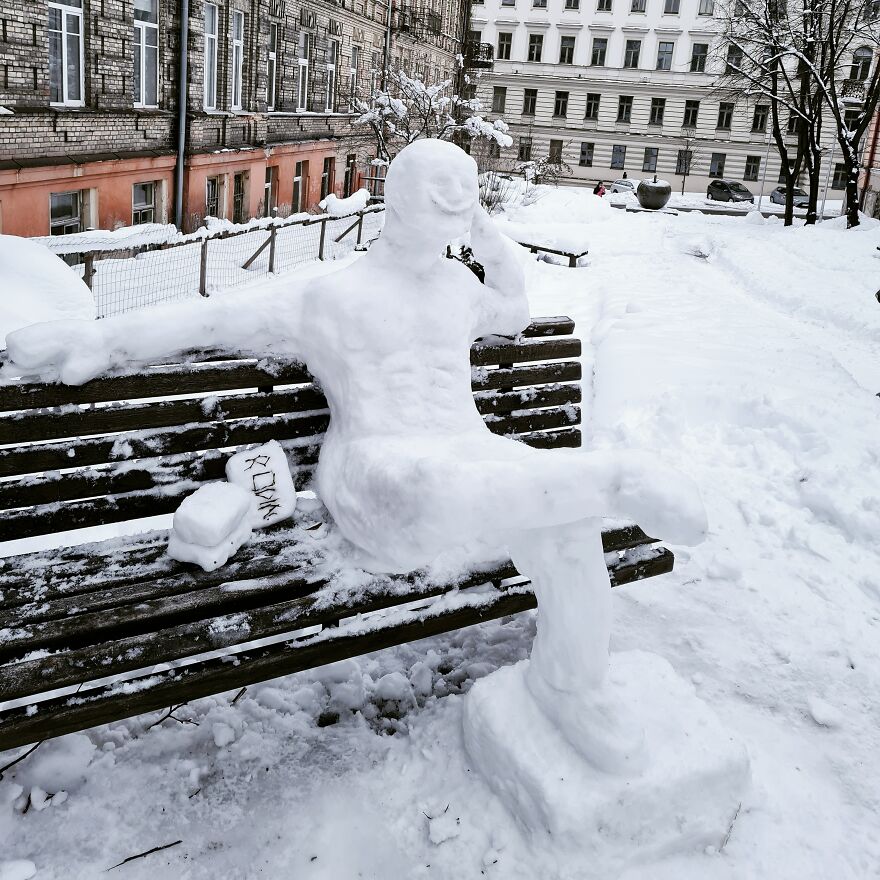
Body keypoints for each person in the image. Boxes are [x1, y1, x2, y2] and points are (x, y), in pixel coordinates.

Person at [5, 139, 706, 772]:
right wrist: (102, 341)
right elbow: (208, 319)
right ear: (399, 208)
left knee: (567, 518)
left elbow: (515, 305)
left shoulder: (459, 288)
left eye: (460, 215)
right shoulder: (328, 296)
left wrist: (486, 232)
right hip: (378, 481)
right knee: (493, 489)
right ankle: (613, 477)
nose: (452, 227)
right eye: (444, 210)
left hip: (471, 461)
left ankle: (569, 686)